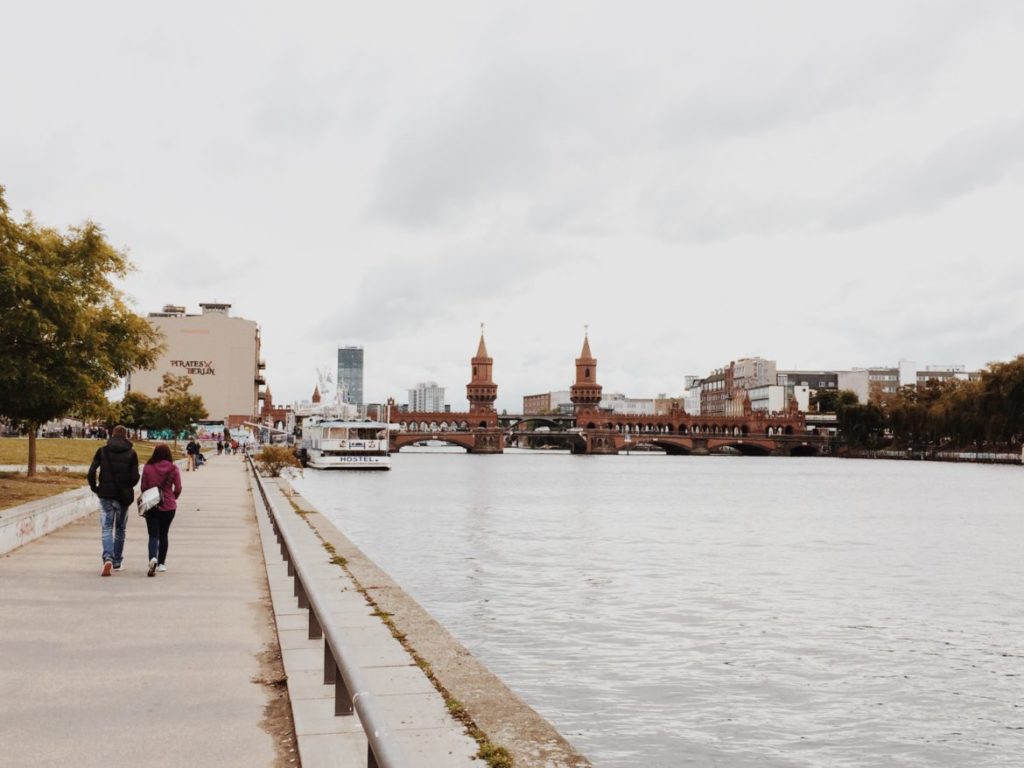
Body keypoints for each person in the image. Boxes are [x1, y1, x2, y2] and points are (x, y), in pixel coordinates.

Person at [87, 425, 139, 576]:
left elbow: (91, 472)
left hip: (105, 494)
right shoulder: (132, 453)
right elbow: (135, 477)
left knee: (106, 528)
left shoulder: (102, 451)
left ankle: (107, 557)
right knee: (121, 529)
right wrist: (127, 486)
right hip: (122, 497)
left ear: (112, 434)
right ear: (126, 435)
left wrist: (95, 487)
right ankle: (117, 561)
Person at [140, 443, 182, 577]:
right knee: (164, 534)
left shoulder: (148, 467)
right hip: (169, 506)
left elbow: (143, 487)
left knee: (153, 535)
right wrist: (172, 497)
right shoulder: (173, 468)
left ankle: (152, 557)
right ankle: (162, 563)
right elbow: (179, 487)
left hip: (152, 506)